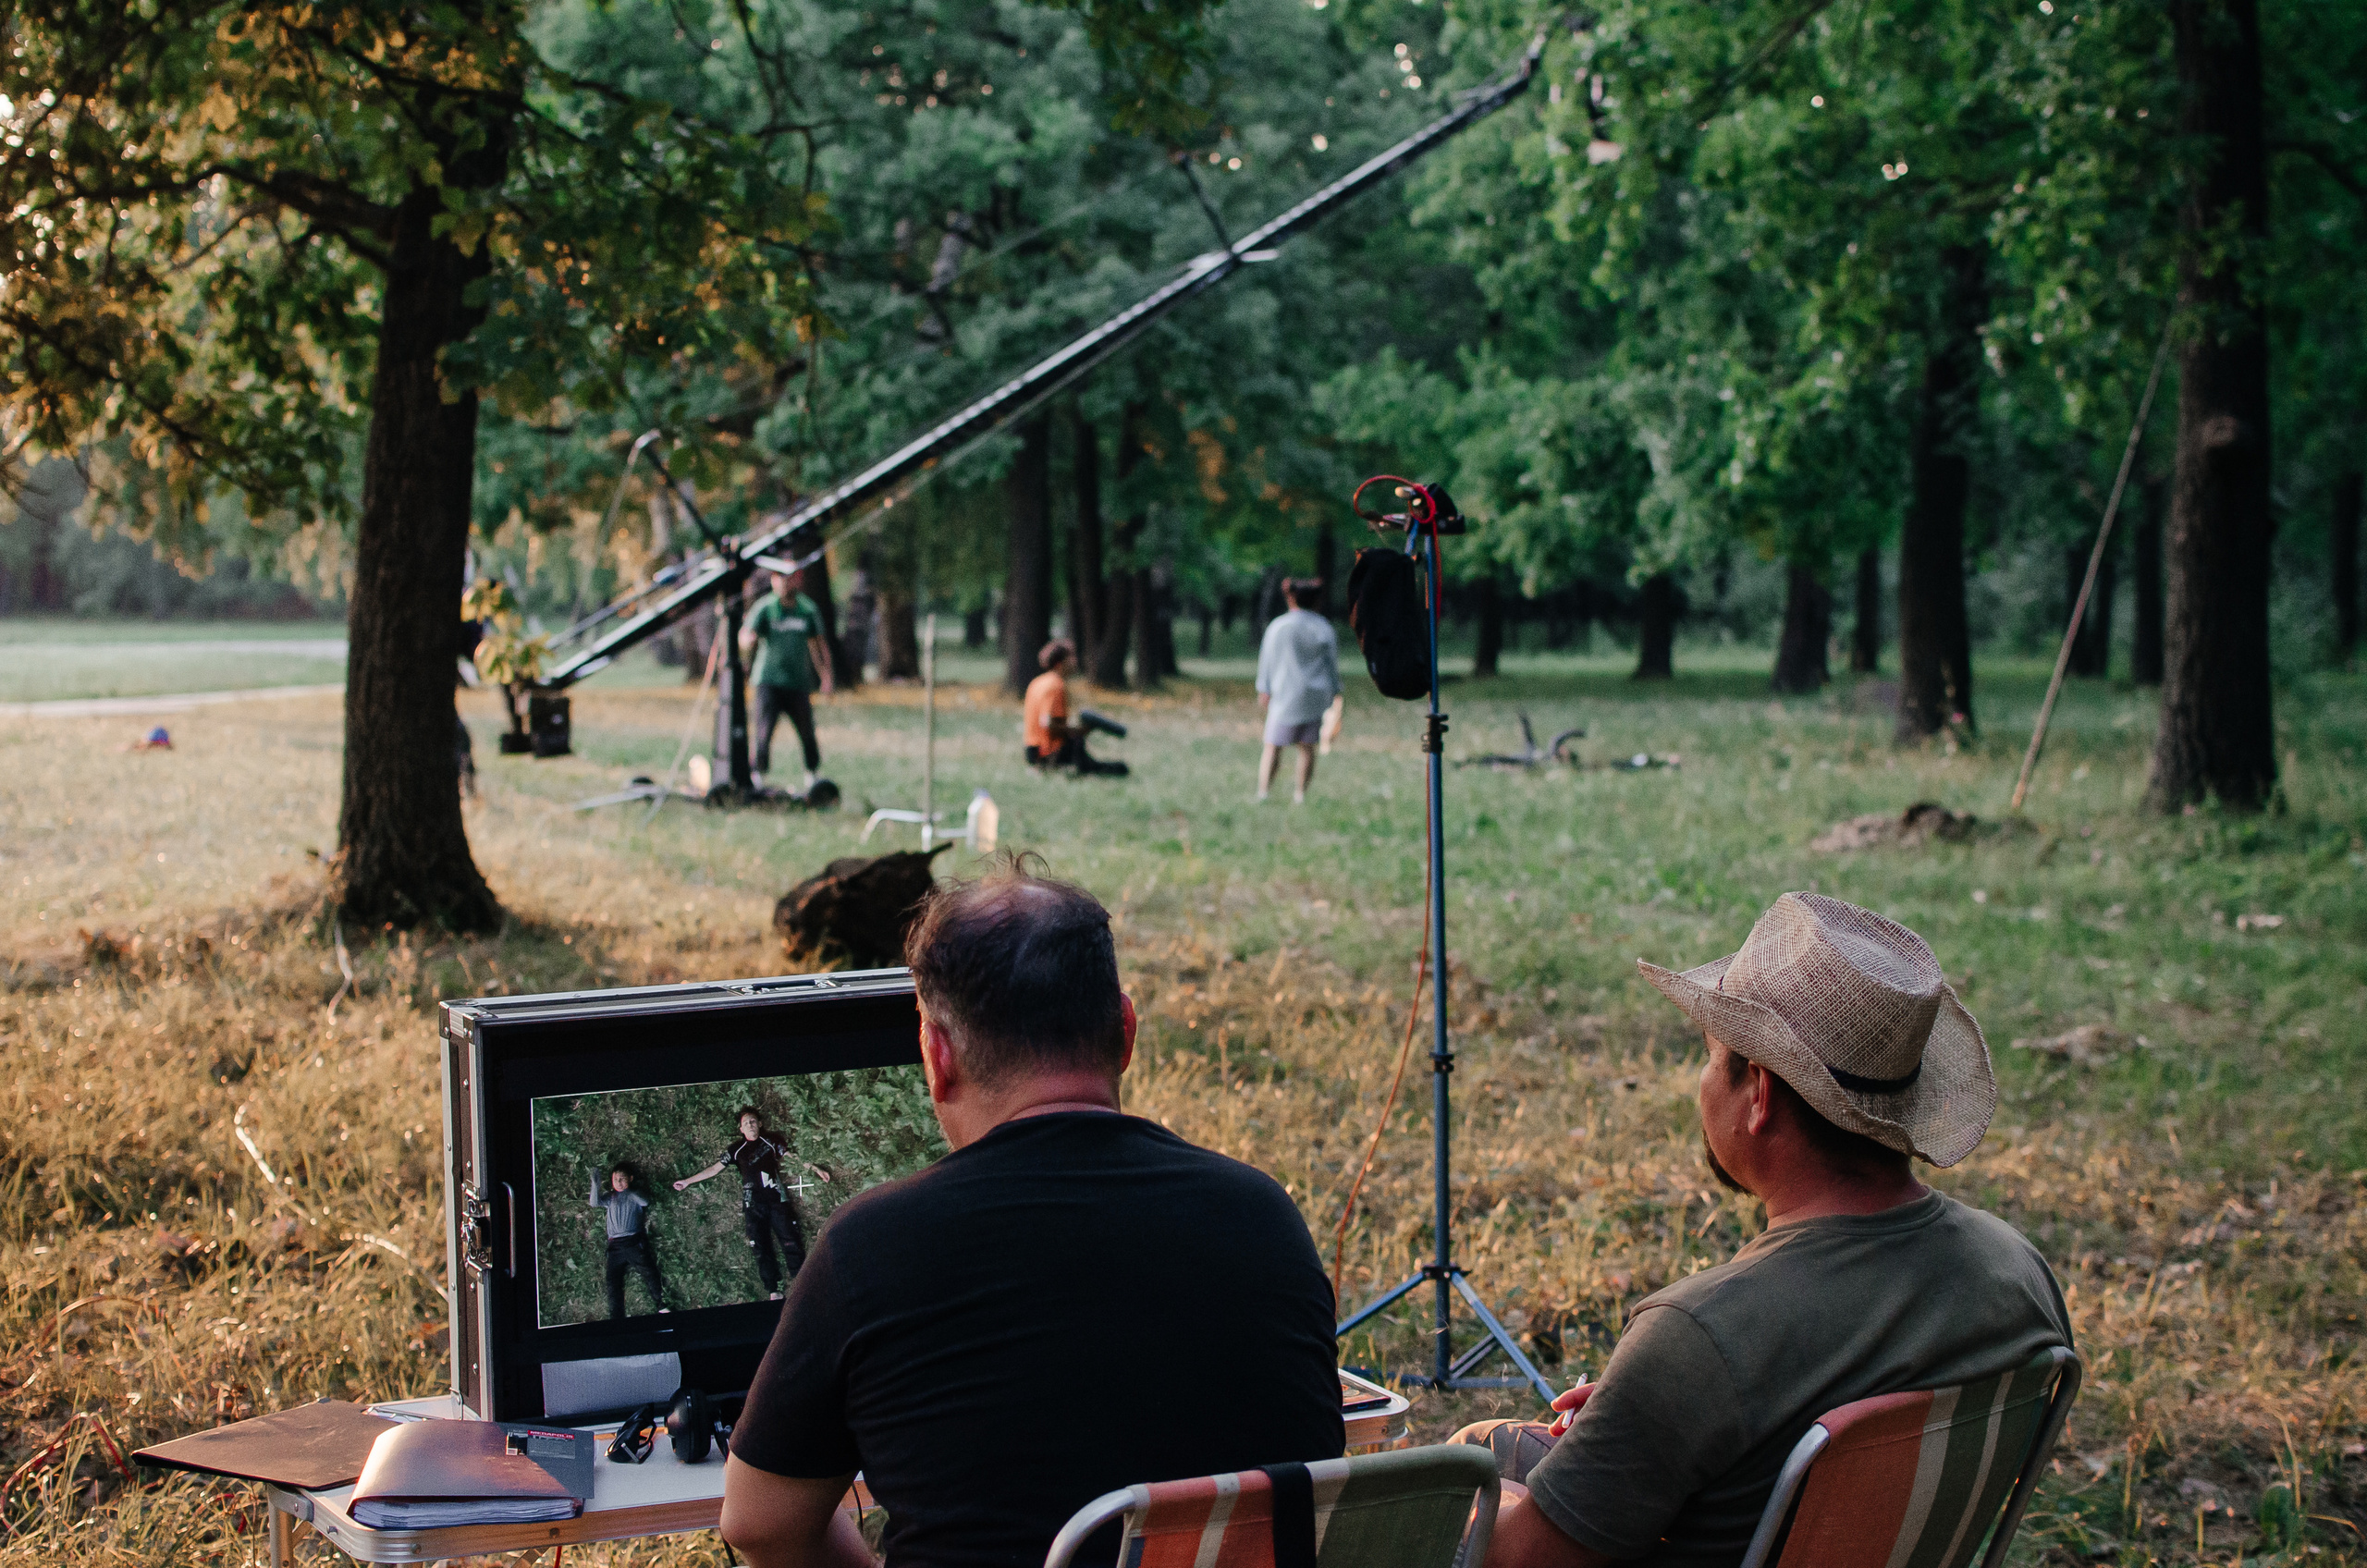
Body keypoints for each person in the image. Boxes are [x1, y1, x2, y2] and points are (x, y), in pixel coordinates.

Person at [719, 862, 1343, 1568]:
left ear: (936, 1054)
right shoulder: (1265, 1217)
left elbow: (759, 1524)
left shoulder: (869, 1249)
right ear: (1126, 1033)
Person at [1474, 893, 2073, 1568]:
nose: (1701, 1083)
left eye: (1709, 1054)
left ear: (1758, 1093)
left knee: (1459, 1474)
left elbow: (1512, 1562)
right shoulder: (2017, 1271)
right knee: (1490, 1443)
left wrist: (1659, 1393)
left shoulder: (1697, 1337)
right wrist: (1640, 1421)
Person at [675, 1109, 830, 1302]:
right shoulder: (736, 1150)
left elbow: (793, 1159)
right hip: (752, 1206)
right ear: (741, 1128)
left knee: (790, 1240)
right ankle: (773, 1289)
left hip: (777, 1202)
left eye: (753, 1121)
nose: (750, 1124)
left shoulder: (771, 1142)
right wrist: (687, 1181)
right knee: (760, 1246)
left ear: (760, 1124)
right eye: (746, 1122)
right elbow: (714, 1169)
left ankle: (802, 1283)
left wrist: (816, 1169)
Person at [739, 567, 836, 792]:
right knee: (763, 732)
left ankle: (812, 776)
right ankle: (757, 778)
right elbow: (745, 635)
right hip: (768, 681)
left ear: (797, 579)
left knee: (807, 733)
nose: (783, 582)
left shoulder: (807, 609)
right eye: (778, 577)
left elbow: (818, 645)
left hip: (798, 682)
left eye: (788, 577)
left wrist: (826, 677)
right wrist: (746, 642)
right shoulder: (765, 608)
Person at [1256, 578, 1340, 803]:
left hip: (1284, 693)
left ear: (1290, 598)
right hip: (1314, 696)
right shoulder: (1323, 627)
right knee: (1307, 747)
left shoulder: (1279, 626)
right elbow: (1331, 663)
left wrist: (1264, 688)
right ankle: (1300, 794)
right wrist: (1335, 691)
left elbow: (1267, 660)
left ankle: (1264, 792)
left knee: (1273, 745)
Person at [1022, 638, 1127, 777]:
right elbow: (1048, 723)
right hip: (1045, 751)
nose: (1075, 661)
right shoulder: (1055, 685)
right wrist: (1079, 731)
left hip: (1031, 750)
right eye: (1071, 657)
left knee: (1077, 741)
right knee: (1112, 766)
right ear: (1060, 662)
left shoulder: (1037, 682)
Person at [588, 1164, 668, 1319]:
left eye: (622, 1178)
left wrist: (628, 1190)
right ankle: (616, 1316)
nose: (618, 1182)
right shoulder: (610, 1197)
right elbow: (594, 1203)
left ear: (631, 1179)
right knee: (612, 1281)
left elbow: (645, 1202)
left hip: (633, 1242)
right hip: (615, 1247)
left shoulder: (634, 1195)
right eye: (615, 1179)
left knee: (649, 1272)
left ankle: (661, 1304)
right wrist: (595, 1183)